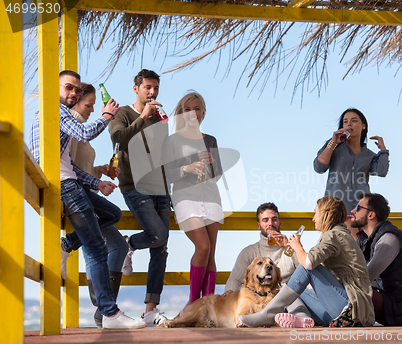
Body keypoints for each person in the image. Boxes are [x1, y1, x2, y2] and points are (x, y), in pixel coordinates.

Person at [28, 70, 145, 329]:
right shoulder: (56, 111)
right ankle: (109, 314)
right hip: (65, 186)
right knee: (96, 248)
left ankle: (66, 244)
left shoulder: (57, 116)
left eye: (77, 89)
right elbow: (84, 133)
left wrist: (97, 182)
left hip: (69, 181)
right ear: (55, 88)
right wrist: (107, 115)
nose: (74, 93)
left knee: (112, 214)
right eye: (69, 88)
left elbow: (68, 164)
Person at [239, 196, 375, 328]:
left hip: (352, 311)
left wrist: (297, 247)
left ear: (325, 214)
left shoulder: (334, 235)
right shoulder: (337, 235)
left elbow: (308, 264)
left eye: (315, 213)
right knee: (295, 288)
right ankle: (303, 319)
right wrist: (291, 247)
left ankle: (269, 313)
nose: (313, 218)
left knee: (307, 269)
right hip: (345, 315)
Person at [59, 83, 129, 328]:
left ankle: (104, 311)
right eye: (87, 105)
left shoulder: (77, 129)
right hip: (78, 196)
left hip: (86, 192)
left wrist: (100, 172)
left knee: (114, 243)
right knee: (108, 247)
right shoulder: (74, 127)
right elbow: (71, 169)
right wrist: (97, 181)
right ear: (75, 103)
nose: (90, 110)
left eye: (91, 106)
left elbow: (78, 166)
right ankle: (105, 311)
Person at [108, 69, 171, 326]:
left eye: (155, 88)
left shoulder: (159, 117)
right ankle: (128, 243)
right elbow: (119, 139)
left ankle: (150, 310)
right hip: (135, 185)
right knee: (158, 235)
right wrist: (143, 117)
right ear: (136, 88)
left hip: (161, 187)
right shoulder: (123, 113)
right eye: (147, 87)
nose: (152, 92)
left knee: (161, 247)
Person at [162, 91, 223, 303]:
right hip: (185, 198)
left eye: (196, 108)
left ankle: (208, 307)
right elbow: (166, 174)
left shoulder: (211, 140)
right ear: (180, 114)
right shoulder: (172, 141)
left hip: (210, 197)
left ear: (203, 112)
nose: (192, 113)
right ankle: (193, 303)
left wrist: (212, 164)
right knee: (203, 247)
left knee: (211, 254)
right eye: (187, 109)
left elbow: (217, 175)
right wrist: (186, 168)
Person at [223, 202, 312, 326]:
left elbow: (306, 270)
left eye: (274, 219)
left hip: (289, 298)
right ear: (259, 225)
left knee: (291, 295)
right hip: (259, 300)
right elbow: (235, 278)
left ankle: (301, 319)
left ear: (280, 223)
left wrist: (288, 247)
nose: (270, 224)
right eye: (266, 220)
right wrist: (230, 291)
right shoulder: (249, 252)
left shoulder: (291, 248)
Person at [351, 193, 402, 326]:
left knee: (350, 286)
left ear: (371, 214)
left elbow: (364, 278)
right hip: (388, 302)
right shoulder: (364, 241)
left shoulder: (389, 239)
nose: (352, 211)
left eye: (358, 208)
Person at [313, 108, 389, 237]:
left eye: (354, 121)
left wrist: (383, 150)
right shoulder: (333, 146)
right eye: (345, 121)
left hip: (361, 211)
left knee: (360, 251)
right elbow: (319, 167)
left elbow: (381, 171)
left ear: (363, 126)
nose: (349, 124)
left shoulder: (369, 155)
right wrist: (333, 142)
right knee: (335, 248)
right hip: (335, 209)